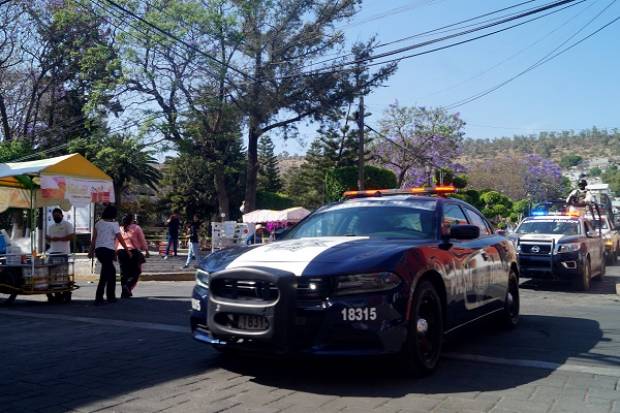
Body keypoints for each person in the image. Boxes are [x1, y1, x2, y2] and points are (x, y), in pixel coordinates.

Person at [88, 205, 131, 305]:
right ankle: (104, 297)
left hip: (99, 251)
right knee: (108, 273)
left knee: (108, 272)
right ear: (113, 214)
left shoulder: (98, 223)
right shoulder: (114, 224)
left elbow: (94, 238)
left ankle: (105, 297)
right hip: (108, 251)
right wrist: (127, 250)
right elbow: (120, 238)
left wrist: (91, 251)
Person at [117, 214, 149, 298]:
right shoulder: (136, 228)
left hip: (121, 252)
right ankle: (128, 286)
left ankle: (125, 292)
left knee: (124, 273)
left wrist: (114, 252)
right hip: (132, 252)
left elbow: (116, 241)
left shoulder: (120, 229)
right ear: (131, 220)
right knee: (136, 271)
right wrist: (146, 250)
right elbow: (142, 240)